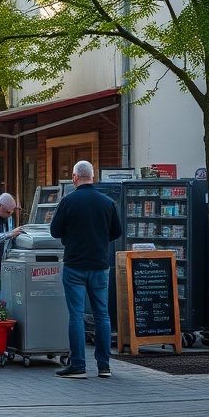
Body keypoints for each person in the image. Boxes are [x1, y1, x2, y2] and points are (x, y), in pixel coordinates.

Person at [49, 160, 122, 379]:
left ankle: (78, 366)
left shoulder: (68, 201)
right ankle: (104, 366)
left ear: (74, 178)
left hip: (74, 266)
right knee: (102, 315)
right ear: (93, 176)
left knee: (76, 316)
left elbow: (54, 231)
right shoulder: (107, 202)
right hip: (99, 265)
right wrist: (99, 240)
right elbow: (116, 232)